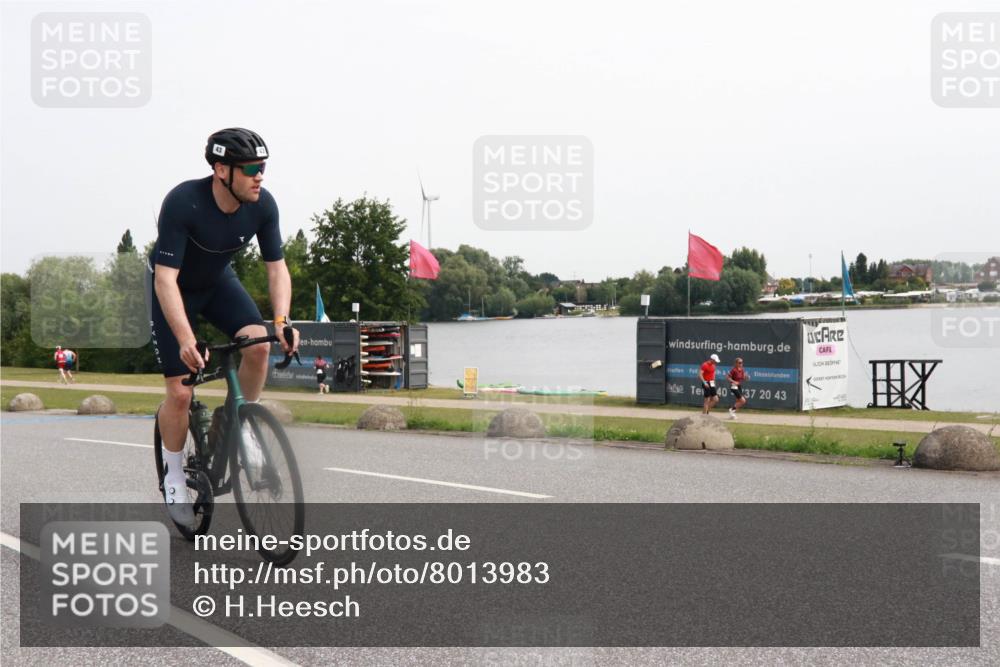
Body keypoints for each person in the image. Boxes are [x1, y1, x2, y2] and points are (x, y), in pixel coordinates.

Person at [149, 127, 300, 528]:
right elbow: (165, 279)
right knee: (180, 392)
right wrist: (185, 339)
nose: (259, 176)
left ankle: (239, 423)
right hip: (173, 290)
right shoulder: (183, 202)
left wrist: (282, 320)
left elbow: (277, 268)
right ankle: (174, 476)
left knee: (259, 346)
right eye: (250, 168)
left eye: (262, 167)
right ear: (221, 170)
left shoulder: (263, 205)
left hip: (218, 285)